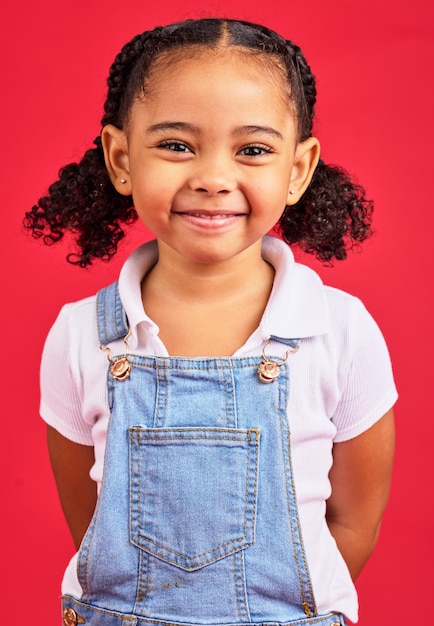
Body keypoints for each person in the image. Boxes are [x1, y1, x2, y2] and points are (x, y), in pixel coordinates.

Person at [24, 18, 397, 626]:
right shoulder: (80, 335)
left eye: (253, 150)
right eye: (177, 145)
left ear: (298, 169)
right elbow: (92, 525)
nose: (213, 178)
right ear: (120, 158)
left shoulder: (340, 330)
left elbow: (354, 524)